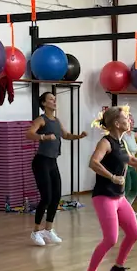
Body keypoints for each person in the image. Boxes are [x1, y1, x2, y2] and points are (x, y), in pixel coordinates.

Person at [80, 106, 137, 271]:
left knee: (134, 233)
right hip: (104, 196)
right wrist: (112, 177)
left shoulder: (122, 141)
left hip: (119, 197)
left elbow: (130, 160)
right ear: (117, 123)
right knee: (110, 239)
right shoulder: (105, 142)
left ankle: (117, 268)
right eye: (126, 118)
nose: (129, 120)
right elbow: (93, 162)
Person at [26, 92, 87, 247]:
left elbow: (65, 135)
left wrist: (79, 136)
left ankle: (48, 229)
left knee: (56, 196)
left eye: (55, 99)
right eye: (51, 99)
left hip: (52, 162)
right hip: (41, 162)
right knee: (46, 197)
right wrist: (44, 137)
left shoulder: (57, 120)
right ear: (44, 103)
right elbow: (29, 134)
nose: (54, 101)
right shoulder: (41, 120)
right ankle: (36, 231)